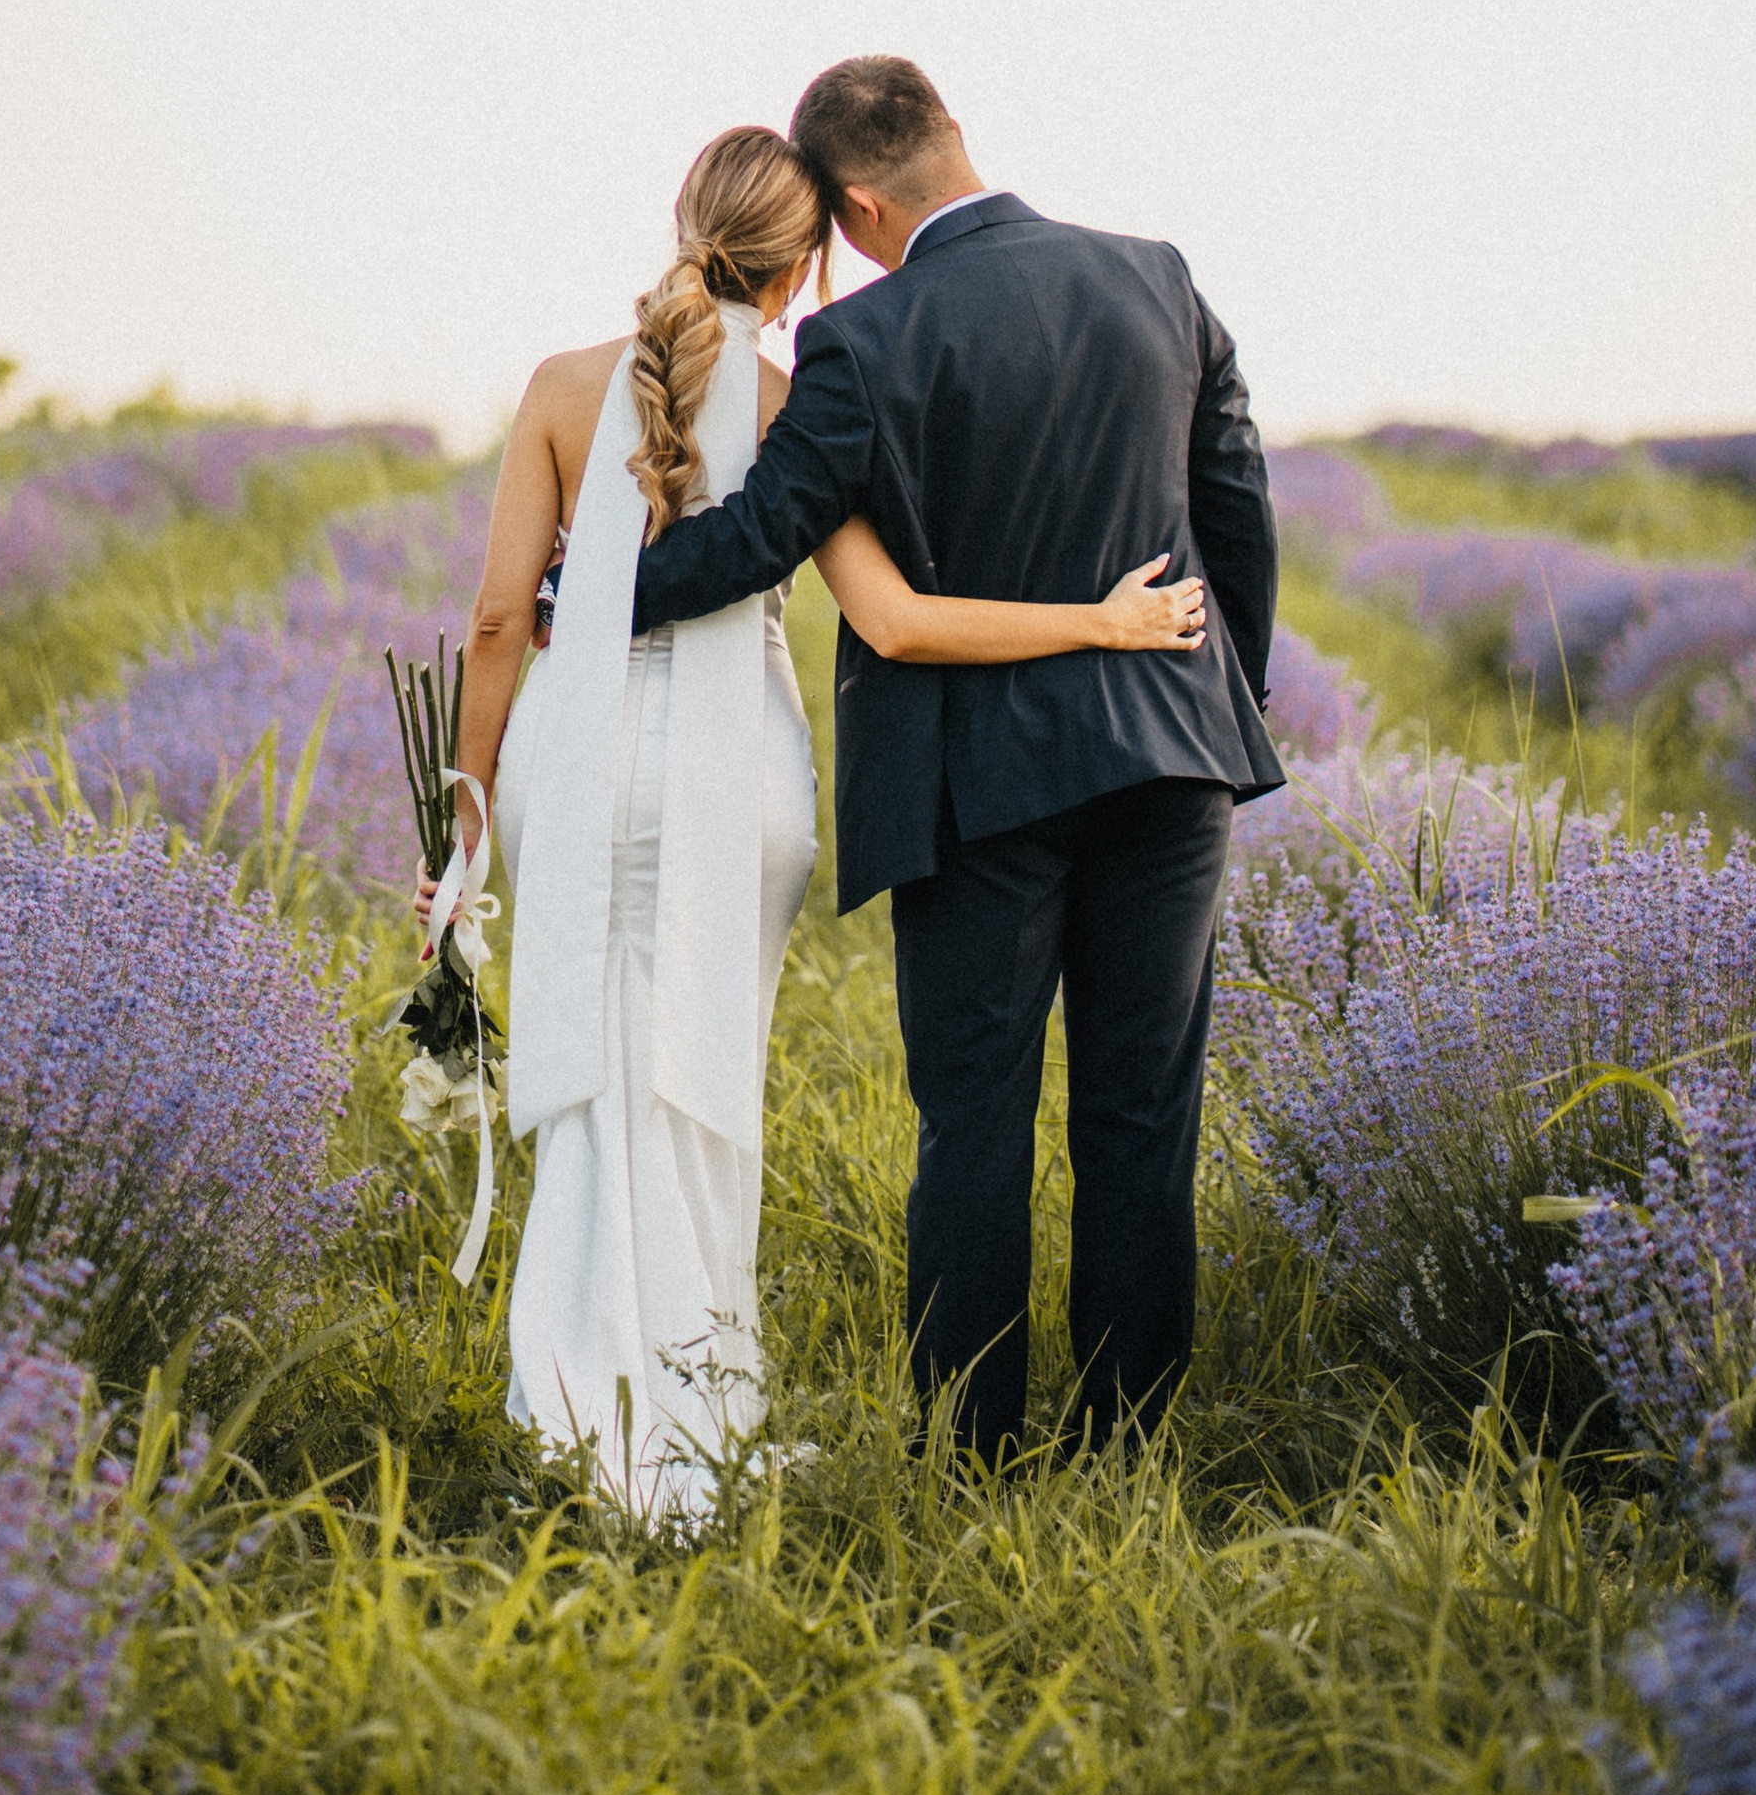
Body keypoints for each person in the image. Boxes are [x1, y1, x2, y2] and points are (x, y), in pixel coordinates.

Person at [437, 122, 1207, 1517]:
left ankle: (571, 1390)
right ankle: (698, 1393)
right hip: (736, 780)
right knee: (702, 1070)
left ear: (685, 219)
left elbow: (499, 621)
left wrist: (466, 812)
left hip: (577, 757)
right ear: (803, 266)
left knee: (589, 1063)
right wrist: (1103, 622)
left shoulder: (559, 387)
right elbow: (898, 623)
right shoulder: (805, 397)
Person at [628, 58, 1280, 1463]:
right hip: (1174, 759)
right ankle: (1125, 1449)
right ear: (952, 134)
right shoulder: (1157, 277)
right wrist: (1226, 702)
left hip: (978, 787)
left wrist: (585, 594)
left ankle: (970, 1451)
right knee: (1142, 1117)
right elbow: (1236, 498)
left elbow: (765, 534)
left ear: (856, 206)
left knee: (973, 1124)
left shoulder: (867, 339)